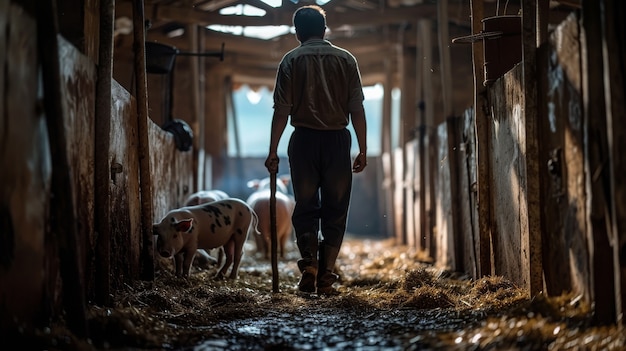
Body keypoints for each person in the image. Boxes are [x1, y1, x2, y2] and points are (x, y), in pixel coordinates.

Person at [264, 5, 368, 295]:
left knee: (306, 206)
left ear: (297, 33)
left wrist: (273, 150)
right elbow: (356, 108)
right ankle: (326, 275)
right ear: (325, 30)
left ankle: (309, 266)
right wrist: (362, 148)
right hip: (337, 141)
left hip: (304, 141)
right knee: (336, 209)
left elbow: (281, 110)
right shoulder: (346, 59)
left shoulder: (290, 60)